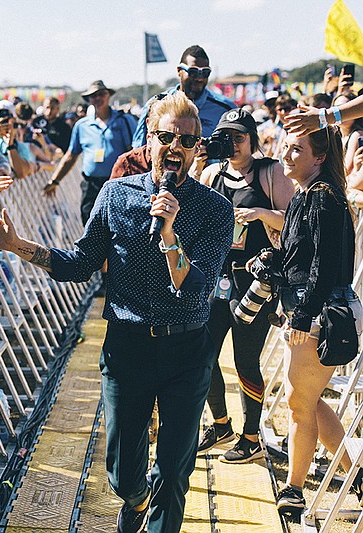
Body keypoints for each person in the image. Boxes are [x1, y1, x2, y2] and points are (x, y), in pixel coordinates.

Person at [0, 92, 234, 533]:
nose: (175, 148)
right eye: (166, 137)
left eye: (186, 141)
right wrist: (13, 245)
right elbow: (78, 261)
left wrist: (169, 231)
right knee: (124, 476)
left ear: (197, 146)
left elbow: (197, 288)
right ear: (148, 140)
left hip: (186, 348)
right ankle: (135, 498)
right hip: (127, 348)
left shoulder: (214, 209)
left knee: (173, 474)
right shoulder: (115, 195)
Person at [272, 126, 363, 515]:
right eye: (286, 148)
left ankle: (294, 490)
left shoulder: (323, 200)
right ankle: (355, 473)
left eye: (297, 149)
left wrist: (303, 314)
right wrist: (269, 264)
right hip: (311, 310)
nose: (287, 155)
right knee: (305, 400)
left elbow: (323, 269)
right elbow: (297, 258)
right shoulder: (305, 195)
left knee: (299, 405)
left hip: (321, 314)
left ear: (320, 157)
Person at [196, 109, 295, 463]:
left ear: (252, 139)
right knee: (201, 354)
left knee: (245, 361)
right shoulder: (213, 173)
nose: (233, 144)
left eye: (239, 137)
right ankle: (221, 424)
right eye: (226, 137)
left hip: (256, 283)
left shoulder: (271, 173)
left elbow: (294, 222)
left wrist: (260, 215)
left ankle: (250, 438)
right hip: (217, 280)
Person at [43, 80, 137, 225]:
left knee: (117, 226)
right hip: (91, 185)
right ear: (88, 100)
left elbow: (136, 153)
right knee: (89, 225)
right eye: (93, 96)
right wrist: (54, 181)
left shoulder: (124, 121)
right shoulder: (82, 126)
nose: (97, 98)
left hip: (118, 183)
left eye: (101, 94)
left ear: (108, 96)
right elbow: (71, 156)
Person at [132, 45, 236, 149]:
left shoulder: (226, 109)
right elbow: (139, 152)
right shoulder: (156, 105)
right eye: (193, 72)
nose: (200, 78)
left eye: (205, 73)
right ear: (179, 70)